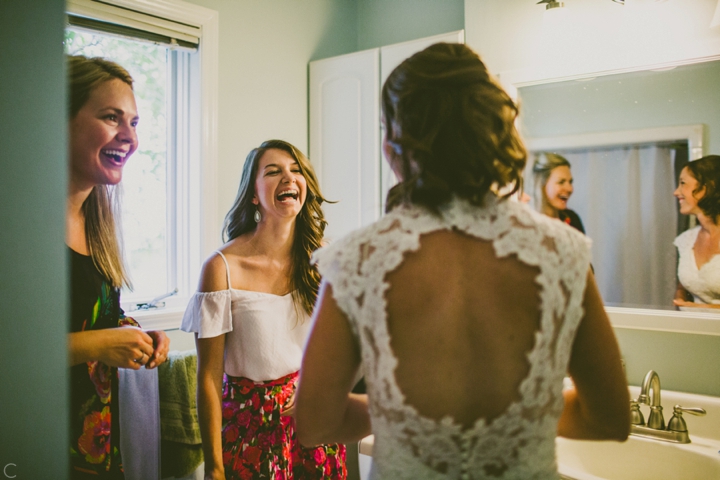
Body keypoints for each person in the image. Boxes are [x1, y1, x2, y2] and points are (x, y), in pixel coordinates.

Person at [295, 43, 629, 479]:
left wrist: (408, 415)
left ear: (397, 140)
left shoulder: (358, 260)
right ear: (492, 132)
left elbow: (315, 423)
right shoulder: (562, 252)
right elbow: (609, 418)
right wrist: (517, 419)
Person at [182, 140, 346, 480]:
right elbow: (209, 378)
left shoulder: (325, 258)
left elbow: (340, 348)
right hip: (248, 435)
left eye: (295, 170)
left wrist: (315, 386)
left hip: (313, 424)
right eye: (273, 172)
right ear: (254, 195)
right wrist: (214, 468)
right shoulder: (222, 268)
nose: (288, 177)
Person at [66, 55, 170, 479]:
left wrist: (133, 334)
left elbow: (97, 319)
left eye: (135, 123)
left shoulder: (100, 224)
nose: (129, 137)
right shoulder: (20, 229)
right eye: (112, 117)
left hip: (101, 448)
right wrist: (99, 346)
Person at [673, 155, 720, 310]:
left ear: (707, 187)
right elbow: (684, 287)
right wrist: (680, 299)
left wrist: (702, 310)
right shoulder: (686, 240)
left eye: (683, 184)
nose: (676, 192)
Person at [531, 152, 586, 233]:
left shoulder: (572, 219)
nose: (570, 189)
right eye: (561, 182)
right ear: (541, 185)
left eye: (570, 182)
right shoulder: (527, 222)